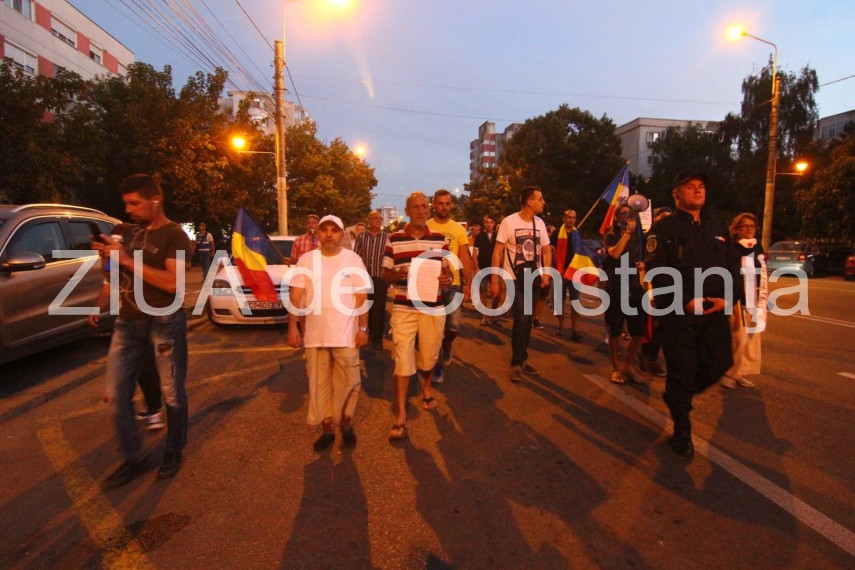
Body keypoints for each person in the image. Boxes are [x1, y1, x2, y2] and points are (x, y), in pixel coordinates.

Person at [94, 174, 191, 486]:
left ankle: (173, 450)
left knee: (171, 390)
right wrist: (106, 260)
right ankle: (134, 457)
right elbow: (112, 273)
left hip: (164, 319)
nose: (129, 209)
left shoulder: (175, 235)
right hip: (128, 321)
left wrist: (125, 259)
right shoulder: (123, 231)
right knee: (115, 393)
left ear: (155, 200)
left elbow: (173, 283)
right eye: (126, 203)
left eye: (134, 203)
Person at [645, 170, 736, 458]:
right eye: (690, 187)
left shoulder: (716, 225)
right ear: (676, 194)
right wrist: (683, 301)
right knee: (683, 370)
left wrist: (729, 298)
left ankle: (676, 395)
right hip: (680, 315)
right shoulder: (664, 229)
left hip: (714, 312)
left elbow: (732, 266)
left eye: (701, 186)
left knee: (721, 362)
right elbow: (657, 272)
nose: (698, 191)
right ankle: (681, 430)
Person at [288, 215, 370, 451]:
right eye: (325, 230)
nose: (329, 234)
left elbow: (361, 295)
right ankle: (327, 431)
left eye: (335, 230)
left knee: (350, 383)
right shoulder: (306, 260)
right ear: (318, 233)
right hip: (315, 336)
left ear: (342, 234)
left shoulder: (352, 259)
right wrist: (293, 326)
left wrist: (363, 328)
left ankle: (345, 422)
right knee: (319, 386)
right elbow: (296, 295)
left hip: (346, 334)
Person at [382, 192, 452, 440]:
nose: (422, 211)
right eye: (416, 207)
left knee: (431, 353)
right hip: (403, 307)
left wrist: (447, 279)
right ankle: (401, 415)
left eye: (425, 206)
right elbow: (385, 273)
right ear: (407, 210)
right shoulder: (395, 239)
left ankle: (426, 387)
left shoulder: (439, 240)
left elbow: (447, 274)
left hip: (432, 307)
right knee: (402, 356)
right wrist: (397, 276)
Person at [89, 241, 164, 431]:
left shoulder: (136, 262)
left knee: (146, 367)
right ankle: (123, 400)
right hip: (125, 323)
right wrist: (96, 308)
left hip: (145, 320)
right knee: (127, 367)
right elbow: (107, 286)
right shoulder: (112, 263)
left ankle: (154, 409)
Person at [489, 186, 552, 383]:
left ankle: (522, 358)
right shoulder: (509, 222)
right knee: (523, 317)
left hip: (532, 276)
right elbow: (498, 251)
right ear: (529, 202)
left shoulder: (539, 223)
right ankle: (517, 363)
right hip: (512, 277)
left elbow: (547, 250)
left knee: (528, 319)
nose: (543, 202)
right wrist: (495, 279)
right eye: (540, 199)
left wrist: (546, 274)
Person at [427, 189, 474, 384]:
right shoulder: (426, 226)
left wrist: (469, 283)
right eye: (440, 203)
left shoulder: (458, 229)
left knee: (454, 325)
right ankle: (437, 367)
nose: (444, 207)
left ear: (451, 205)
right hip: (431, 285)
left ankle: (447, 346)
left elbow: (464, 256)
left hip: (454, 284)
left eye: (447, 204)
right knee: (436, 329)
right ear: (434, 205)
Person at [602, 204, 649, 384]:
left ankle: (628, 365)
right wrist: (627, 234)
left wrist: (642, 264)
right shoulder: (611, 235)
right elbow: (614, 254)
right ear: (616, 217)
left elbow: (643, 255)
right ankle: (616, 369)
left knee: (639, 329)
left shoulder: (638, 237)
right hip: (616, 287)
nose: (628, 216)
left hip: (634, 287)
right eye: (623, 213)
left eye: (630, 214)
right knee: (615, 330)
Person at [720, 212, 767, 389]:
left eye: (752, 226)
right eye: (744, 226)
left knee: (750, 339)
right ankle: (727, 373)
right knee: (738, 338)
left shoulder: (757, 247)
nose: (748, 229)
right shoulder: (731, 248)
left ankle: (739, 372)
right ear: (737, 229)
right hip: (736, 299)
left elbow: (762, 273)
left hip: (753, 299)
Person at [638, 207, 672, 376]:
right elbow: (651, 261)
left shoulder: (672, 235)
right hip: (656, 285)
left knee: (665, 325)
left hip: (672, 285)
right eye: (663, 217)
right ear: (656, 218)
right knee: (654, 324)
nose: (667, 220)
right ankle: (648, 358)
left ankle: (650, 355)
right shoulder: (655, 235)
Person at [353, 210, 389, 350]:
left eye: (380, 219)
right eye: (374, 218)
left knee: (379, 310)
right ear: (369, 221)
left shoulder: (387, 237)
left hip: (380, 278)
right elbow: (356, 257)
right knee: (364, 306)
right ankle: (363, 332)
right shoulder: (362, 237)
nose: (378, 221)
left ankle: (377, 339)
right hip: (364, 278)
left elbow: (389, 257)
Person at [551, 209, 583, 340]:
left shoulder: (577, 233)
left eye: (573, 218)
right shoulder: (557, 233)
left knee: (575, 302)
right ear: (563, 218)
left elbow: (581, 252)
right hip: (559, 272)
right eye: (569, 217)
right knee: (559, 302)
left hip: (574, 272)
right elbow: (551, 250)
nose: (571, 220)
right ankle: (560, 327)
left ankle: (575, 329)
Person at [474, 214, 502, 326]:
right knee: (483, 292)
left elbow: (502, 253)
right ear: (484, 224)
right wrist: (476, 267)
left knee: (497, 293)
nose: (489, 224)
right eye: (487, 222)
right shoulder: (479, 237)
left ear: (494, 223)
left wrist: (503, 267)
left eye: (491, 222)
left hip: (496, 269)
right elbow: (475, 254)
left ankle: (493, 315)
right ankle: (484, 316)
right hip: (482, 267)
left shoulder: (499, 236)